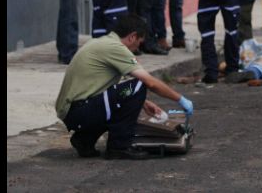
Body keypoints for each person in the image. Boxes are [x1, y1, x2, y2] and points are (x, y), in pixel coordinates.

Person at [55, 13, 194, 160]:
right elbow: (150, 82)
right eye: (139, 42)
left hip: (75, 111)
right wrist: (180, 99)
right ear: (132, 36)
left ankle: (84, 140)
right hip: (79, 111)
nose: (137, 47)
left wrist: (143, 103)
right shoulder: (115, 48)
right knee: (139, 84)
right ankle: (119, 146)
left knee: (130, 91)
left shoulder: (103, 42)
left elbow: (104, 90)